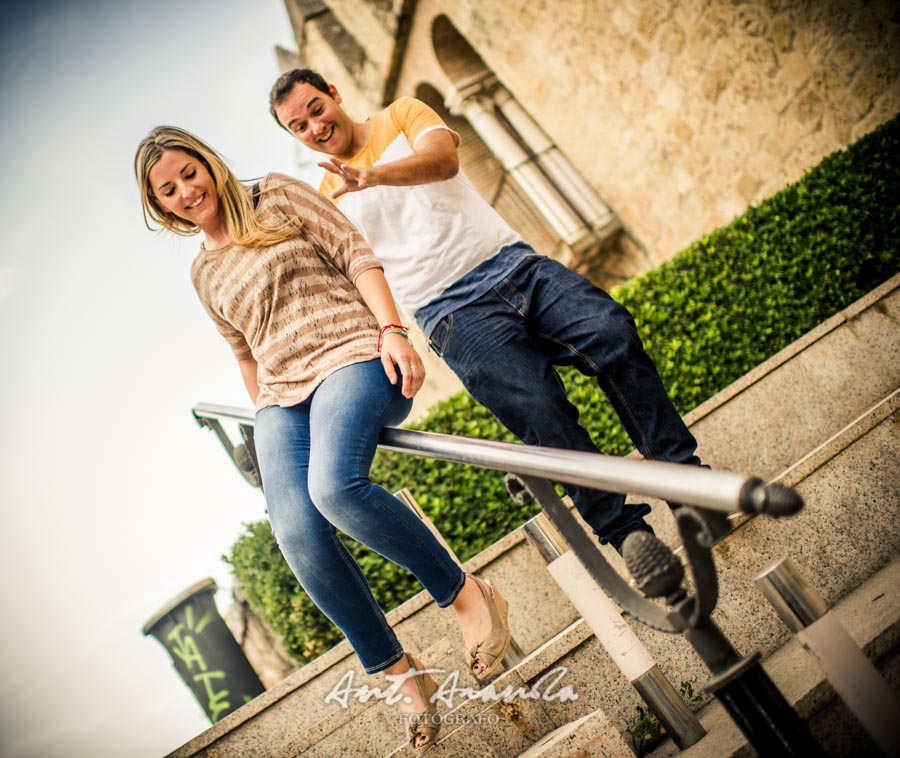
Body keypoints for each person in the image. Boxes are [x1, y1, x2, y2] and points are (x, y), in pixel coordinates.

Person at [134, 126, 513, 753]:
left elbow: (355, 252)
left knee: (335, 488)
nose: (184, 192)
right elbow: (244, 351)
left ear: (208, 162)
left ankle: (468, 596)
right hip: (282, 400)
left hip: (352, 355)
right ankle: (400, 673)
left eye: (187, 174)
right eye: (167, 191)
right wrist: (266, 421)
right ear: (160, 207)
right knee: (297, 533)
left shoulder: (275, 196)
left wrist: (392, 330)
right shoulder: (203, 272)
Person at [268, 69, 727, 555]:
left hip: (515, 263)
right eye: (299, 126)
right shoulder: (325, 197)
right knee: (539, 412)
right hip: (450, 312)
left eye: (316, 108)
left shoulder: (402, 114)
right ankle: (629, 537)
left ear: (334, 94)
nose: (315, 127)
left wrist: (375, 175)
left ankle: (689, 490)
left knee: (611, 333)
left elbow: (443, 160)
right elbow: (356, 272)